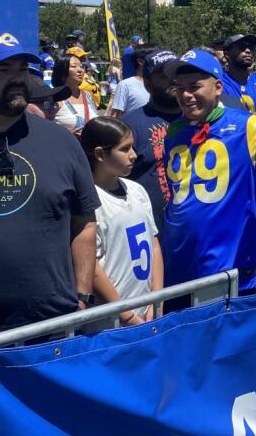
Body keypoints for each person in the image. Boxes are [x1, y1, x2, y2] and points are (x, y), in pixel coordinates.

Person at [0, 30, 99, 341]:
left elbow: (84, 223)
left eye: (21, 69)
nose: (17, 78)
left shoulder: (60, 141)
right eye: (3, 70)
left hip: (52, 333)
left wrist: (83, 295)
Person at [162, 49, 256, 290]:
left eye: (194, 86)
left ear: (217, 87)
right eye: (179, 88)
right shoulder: (174, 131)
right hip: (178, 271)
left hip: (230, 273)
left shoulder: (247, 126)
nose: (186, 95)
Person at [80, 117, 163, 326]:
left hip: (147, 312)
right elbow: (92, 265)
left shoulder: (136, 190)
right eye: (124, 149)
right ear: (100, 154)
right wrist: (126, 315)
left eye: (132, 147)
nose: (134, 155)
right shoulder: (89, 202)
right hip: (111, 321)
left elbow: (153, 245)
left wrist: (157, 300)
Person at [121, 50, 182, 238]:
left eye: (176, 73)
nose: (172, 80)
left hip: (194, 233)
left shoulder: (198, 119)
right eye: (163, 75)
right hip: (151, 235)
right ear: (147, 84)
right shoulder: (129, 125)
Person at [221, 33, 256, 113]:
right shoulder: (218, 85)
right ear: (227, 55)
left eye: (251, 48)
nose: (248, 51)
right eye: (241, 47)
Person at [53, 54, 99, 134]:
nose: (80, 70)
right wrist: (69, 136)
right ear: (62, 71)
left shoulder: (88, 96)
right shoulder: (54, 98)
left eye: (81, 66)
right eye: (74, 67)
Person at [109, 45, 156, 118]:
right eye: (154, 58)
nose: (158, 61)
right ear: (141, 61)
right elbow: (115, 117)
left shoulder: (159, 84)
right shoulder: (125, 85)